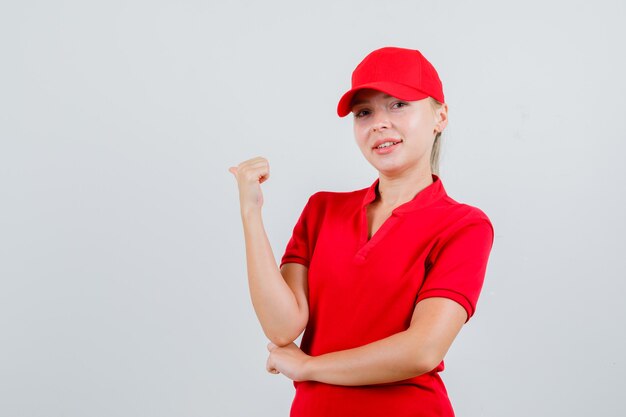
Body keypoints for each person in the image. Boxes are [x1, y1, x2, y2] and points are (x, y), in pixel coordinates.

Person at [228, 46, 495, 417]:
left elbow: (423, 350)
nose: (378, 123)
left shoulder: (464, 226)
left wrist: (309, 367)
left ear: (440, 116)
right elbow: (282, 327)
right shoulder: (322, 210)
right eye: (364, 112)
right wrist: (250, 213)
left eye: (398, 104)